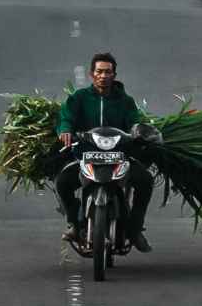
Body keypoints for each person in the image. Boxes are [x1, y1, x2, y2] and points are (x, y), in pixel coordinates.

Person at [56, 53, 155, 253]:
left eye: (107, 72)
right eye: (99, 72)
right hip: (86, 154)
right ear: (92, 74)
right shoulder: (79, 98)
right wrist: (65, 130)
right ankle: (75, 224)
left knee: (145, 180)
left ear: (114, 75)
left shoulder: (125, 101)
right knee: (63, 182)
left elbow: (134, 121)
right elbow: (66, 117)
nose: (103, 76)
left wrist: (138, 132)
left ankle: (135, 229)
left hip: (119, 156)